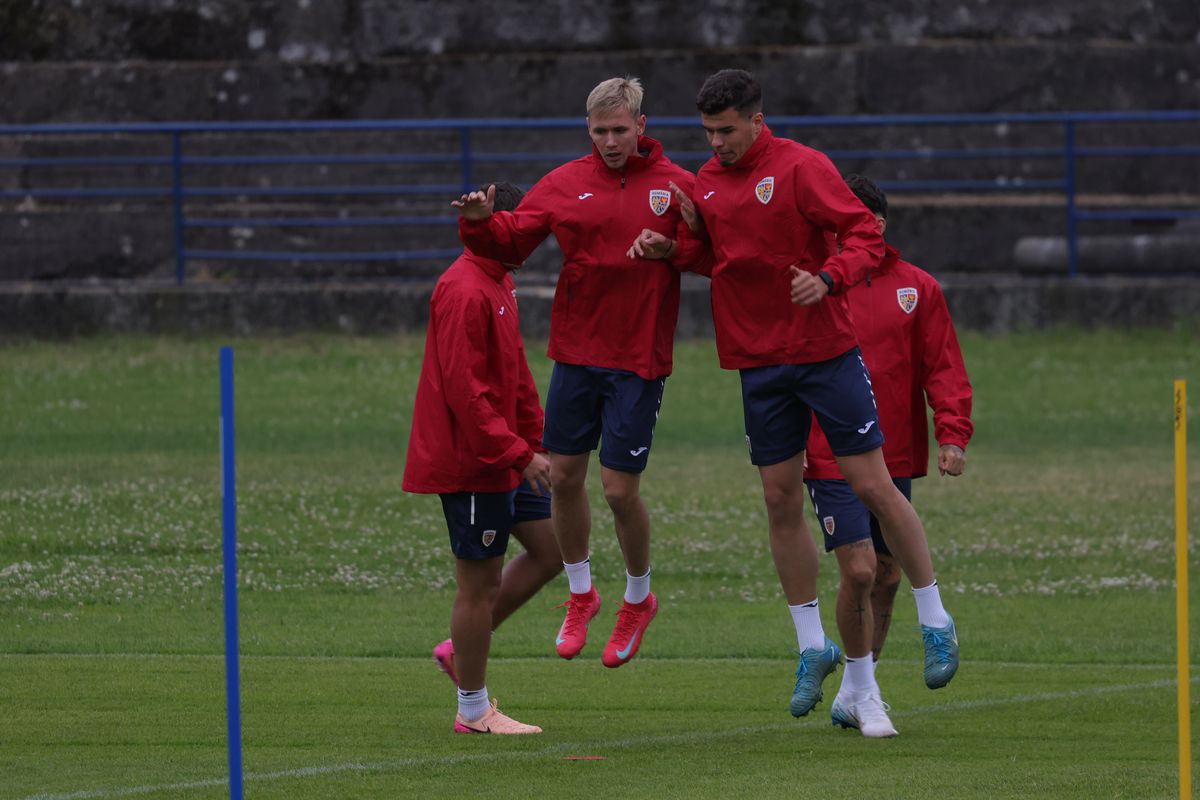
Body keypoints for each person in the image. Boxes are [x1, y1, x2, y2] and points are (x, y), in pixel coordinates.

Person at [629, 69, 958, 738]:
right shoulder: (710, 183)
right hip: (758, 364)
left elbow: (864, 235)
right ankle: (812, 644)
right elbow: (719, 257)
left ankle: (936, 619)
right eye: (708, 133)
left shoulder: (803, 167)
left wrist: (830, 277)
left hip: (825, 354)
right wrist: (674, 250)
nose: (716, 144)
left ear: (756, 119)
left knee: (875, 484)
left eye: (726, 131)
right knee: (779, 499)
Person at [452, 77, 702, 669]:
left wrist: (674, 252)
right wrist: (482, 223)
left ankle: (638, 600)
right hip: (577, 353)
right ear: (587, 130)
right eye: (600, 131)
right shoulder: (565, 183)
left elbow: (719, 256)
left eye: (620, 129)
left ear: (641, 126)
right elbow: (511, 243)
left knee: (618, 490)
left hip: (639, 360)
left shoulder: (680, 187)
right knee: (561, 478)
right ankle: (582, 593)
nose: (611, 141)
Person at [802, 174, 973, 737]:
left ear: (878, 225)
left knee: (889, 573)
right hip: (827, 452)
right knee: (858, 568)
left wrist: (952, 432)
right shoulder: (818, 284)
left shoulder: (917, 288)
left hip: (892, 453)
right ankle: (856, 681)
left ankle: (858, 690)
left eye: (866, 220)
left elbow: (941, 364)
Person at [403, 181, 559, 735]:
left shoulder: (499, 281)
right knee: (478, 584)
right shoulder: (464, 289)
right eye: (524, 233)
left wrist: (533, 443)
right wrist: (517, 453)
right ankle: (473, 709)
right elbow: (466, 393)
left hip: (505, 457)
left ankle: (460, 650)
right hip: (475, 462)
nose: (530, 245)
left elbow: (513, 377)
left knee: (550, 551)